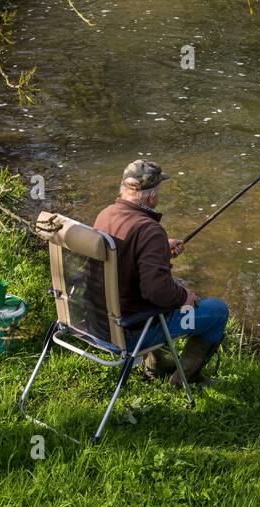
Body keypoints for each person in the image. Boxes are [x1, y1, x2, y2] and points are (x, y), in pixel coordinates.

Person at [93, 158, 229, 385]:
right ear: (152, 196)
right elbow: (157, 292)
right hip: (130, 331)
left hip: (97, 321)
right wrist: (185, 296)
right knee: (217, 311)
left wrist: (159, 249)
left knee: (153, 299)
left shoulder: (105, 215)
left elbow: (124, 256)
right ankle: (187, 378)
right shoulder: (150, 230)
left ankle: (156, 364)